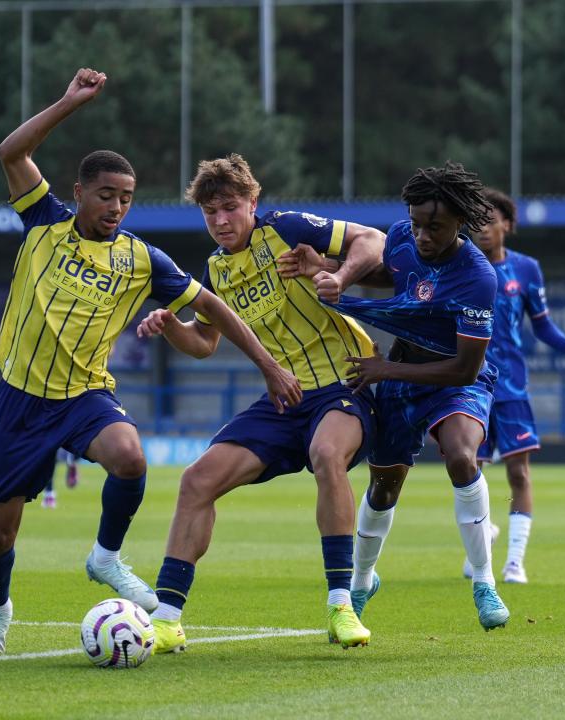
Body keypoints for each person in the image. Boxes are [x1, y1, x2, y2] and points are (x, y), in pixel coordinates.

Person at [0, 70, 301, 655]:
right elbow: (10, 151)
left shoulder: (142, 260)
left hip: (84, 395)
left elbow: (213, 309)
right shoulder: (43, 224)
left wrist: (269, 365)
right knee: (0, 534)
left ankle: (106, 557)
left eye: (126, 197)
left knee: (129, 457)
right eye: (106, 195)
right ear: (79, 193)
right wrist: (69, 104)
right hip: (20, 397)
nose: (117, 206)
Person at [137, 153, 385, 653]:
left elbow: (373, 241)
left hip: (347, 382)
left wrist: (341, 277)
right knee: (197, 480)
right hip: (284, 397)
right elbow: (204, 343)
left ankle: (342, 604)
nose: (221, 221)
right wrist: (170, 329)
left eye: (230, 207)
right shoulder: (217, 268)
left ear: (253, 201)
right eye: (210, 213)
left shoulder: (287, 229)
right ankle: (166, 618)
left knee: (325, 455)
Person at [280, 162, 510, 631]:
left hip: (454, 381)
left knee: (462, 456)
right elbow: (395, 274)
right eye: (417, 222)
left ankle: (484, 582)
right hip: (402, 381)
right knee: (384, 487)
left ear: (460, 223)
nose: (422, 234)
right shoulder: (403, 235)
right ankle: (362, 581)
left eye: (435, 227)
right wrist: (325, 268)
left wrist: (385, 368)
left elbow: (465, 366)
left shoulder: (477, 279)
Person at [465, 188, 565, 584]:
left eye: (490, 219)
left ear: (508, 224)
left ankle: (514, 562)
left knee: (518, 474)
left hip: (512, 387)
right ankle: (480, 540)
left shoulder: (526, 269)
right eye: (476, 220)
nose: (482, 227)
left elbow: (541, 324)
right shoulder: (459, 266)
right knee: (470, 472)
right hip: (469, 385)